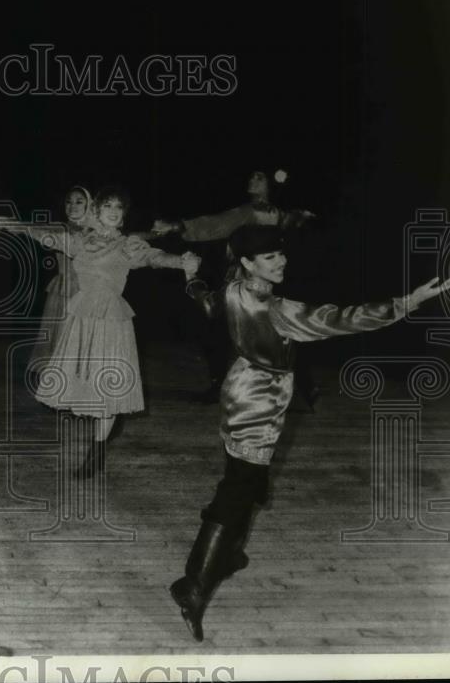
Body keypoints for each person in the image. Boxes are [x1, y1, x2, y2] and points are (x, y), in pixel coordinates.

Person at [170, 224, 450, 642]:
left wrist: (191, 279)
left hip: (240, 387)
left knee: (249, 480)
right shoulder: (279, 309)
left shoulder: (234, 287)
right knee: (238, 487)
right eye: (270, 257)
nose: (281, 261)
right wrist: (406, 302)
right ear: (249, 262)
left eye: (281, 253)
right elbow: (342, 319)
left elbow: (210, 304)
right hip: (262, 400)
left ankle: (229, 554)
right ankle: (193, 587)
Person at [19, 186, 198, 479]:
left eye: (119, 209)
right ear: (97, 211)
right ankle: (97, 441)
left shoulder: (127, 245)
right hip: (81, 316)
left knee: (107, 388)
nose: (114, 213)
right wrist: (12, 226)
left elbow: (155, 256)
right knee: (76, 380)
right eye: (108, 207)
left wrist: (182, 262)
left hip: (112, 320)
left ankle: (97, 450)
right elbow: (47, 236)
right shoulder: (80, 240)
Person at [151, 169, 318, 405]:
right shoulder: (279, 215)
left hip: (244, 281)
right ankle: (305, 388)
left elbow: (213, 225)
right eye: (251, 176)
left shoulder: (249, 212)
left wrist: (177, 226)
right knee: (276, 333)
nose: (251, 179)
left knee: (218, 330)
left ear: (269, 185)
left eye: (259, 178)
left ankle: (221, 385)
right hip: (267, 283)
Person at [29, 185, 94, 367]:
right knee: (59, 335)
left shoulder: (97, 232)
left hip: (86, 290)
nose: (73, 206)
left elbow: (127, 238)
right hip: (62, 289)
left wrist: (160, 232)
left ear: (89, 204)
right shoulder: (58, 228)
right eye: (69, 202)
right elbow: (33, 229)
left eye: (79, 202)